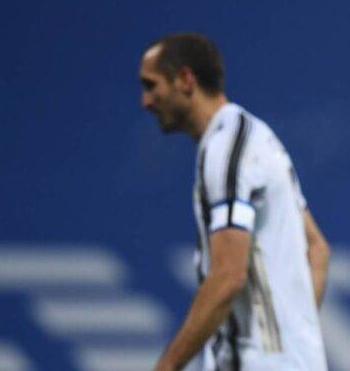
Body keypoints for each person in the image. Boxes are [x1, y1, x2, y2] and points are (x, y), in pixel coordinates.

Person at [139, 33, 329, 370]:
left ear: (185, 80)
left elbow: (228, 275)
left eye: (151, 85)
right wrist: (293, 337)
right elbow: (317, 250)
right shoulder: (254, 137)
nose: (146, 101)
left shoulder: (226, 150)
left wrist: (165, 367)